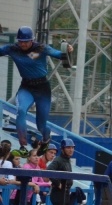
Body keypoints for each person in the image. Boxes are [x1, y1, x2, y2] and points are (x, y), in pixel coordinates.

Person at [0, 26, 73, 156]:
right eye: (21, 41)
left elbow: (59, 54)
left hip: (42, 89)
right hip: (26, 87)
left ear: (32, 40)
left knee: (41, 125)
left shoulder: (41, 49)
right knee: (21, 110)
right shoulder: (12, 49)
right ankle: (23, 146)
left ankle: (45, 140)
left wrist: (67, 50)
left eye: (26, 41)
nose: (23, 44)